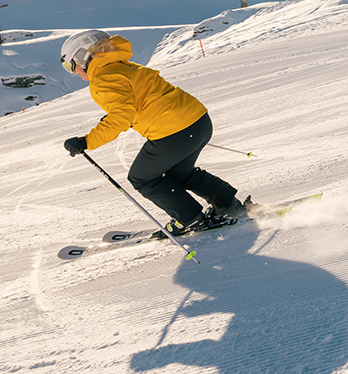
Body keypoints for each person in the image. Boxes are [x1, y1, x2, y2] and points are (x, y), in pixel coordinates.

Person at [59, 29, 246, 235]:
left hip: (173, 132)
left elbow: (123, 115)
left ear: (82, 57)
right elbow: (140, 101)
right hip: (198, 122)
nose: (73, 71)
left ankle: (190, 218)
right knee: (180, 173)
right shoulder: (126, 67)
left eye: (69, 65)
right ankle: (227, 204)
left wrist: (86, 141)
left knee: (142, 178)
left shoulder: (102, 79)